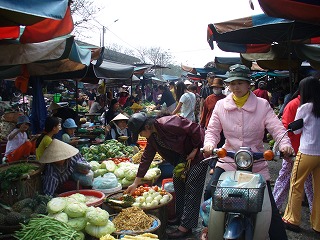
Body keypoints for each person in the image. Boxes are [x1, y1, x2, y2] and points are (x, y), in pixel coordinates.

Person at [202, 64, 294, 240]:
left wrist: (285, 145)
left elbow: (277, 129)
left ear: (248, 84)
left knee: (270, 209)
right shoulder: (221, 105)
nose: (236, 87)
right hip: (229, 159)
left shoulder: (262, 105)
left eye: (240, 83)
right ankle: (208, 228)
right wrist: (209, 144)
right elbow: (212, 130)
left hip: (256, 162)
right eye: (232, 83)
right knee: (210, 191)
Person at [125, 112, 208, 239]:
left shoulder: (168, 123)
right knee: (177, 180)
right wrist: (136, 182)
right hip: (184, 156)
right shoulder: (152, 137)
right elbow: (146, 157)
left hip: (198, 154)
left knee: (192, 186)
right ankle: (180, 216)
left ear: (147, 127)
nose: (140, 136)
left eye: (140, 133)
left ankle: (186, 227)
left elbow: (196, 129)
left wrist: (196, 149)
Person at [282, 76, 320, 234]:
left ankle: (292, 219)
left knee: (296, 185)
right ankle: (317, 225)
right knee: (318, 190)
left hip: (306, 152)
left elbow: (296, 130)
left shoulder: (305, 108)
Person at [273, 93, 313, 215]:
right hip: (295, 150)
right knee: (301, 182)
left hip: (302, 150)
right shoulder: (296, 104)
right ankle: (276, 207)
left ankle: (276, 207)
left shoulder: (300, 104)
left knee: (296, 181)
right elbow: (286, 128)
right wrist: (286, 147)